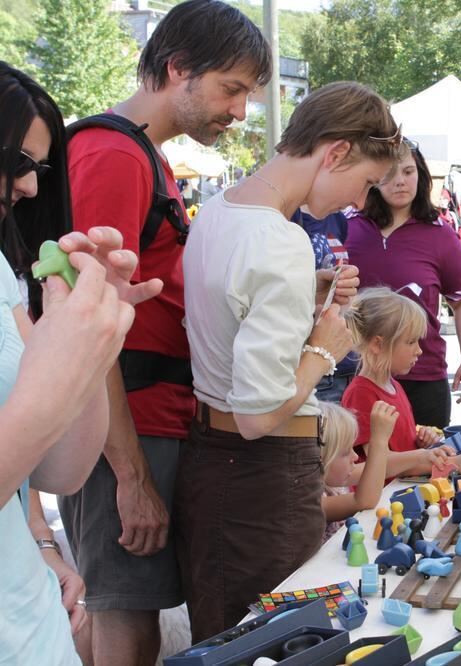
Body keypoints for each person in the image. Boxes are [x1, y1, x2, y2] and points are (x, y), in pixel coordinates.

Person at [57, 3, 272, 662]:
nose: (238, 112)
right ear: (178, 67)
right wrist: (130, 476)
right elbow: (88, 329)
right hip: (126, 426)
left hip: (149, 419)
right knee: (124, 617)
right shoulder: (113, 154)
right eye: (231, 89)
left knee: (127, 611)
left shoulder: (142, 156)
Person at [176, 80, 391, 641]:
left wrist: (306, 289)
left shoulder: (221, 211)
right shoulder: (280, 239)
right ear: (336, 151)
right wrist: (326, 349)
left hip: (221, 469)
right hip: (260, 478)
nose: (359, 202)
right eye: (365, 182)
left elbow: (232, 309)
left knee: (235, 637)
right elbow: (259, 415)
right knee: (272, 646)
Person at [0, 61, 161, 664]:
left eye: (39, 169)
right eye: (19, 162)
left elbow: (59, 470)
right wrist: (60, 366)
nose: (32, 189)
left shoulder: (2, 273)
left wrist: (94, 342)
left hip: (29, 625)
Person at [347, 140, 461, 428]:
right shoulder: (349, 227)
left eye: (408, 172)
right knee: (361, 468)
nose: (400, 182)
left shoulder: (440, 235)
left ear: (420, 175)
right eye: (390, 173)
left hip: (422, 378)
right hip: (357, 376)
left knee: (426, 467)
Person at [342, 287, 461, 479]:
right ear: (378, 344)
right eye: (410, 342)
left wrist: (421, 442)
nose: (419, 351)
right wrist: (435, 459)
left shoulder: (393, 385)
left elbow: (400, 447)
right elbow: (377, 463)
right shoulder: (361, 394)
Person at [291, 205, 358, 403]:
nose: (359, 205)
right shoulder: (287, 215)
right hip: (305, 358)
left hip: (340, 357)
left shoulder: (338, 219)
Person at [319, 400, 396, 540]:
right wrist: (379, 441)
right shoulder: (313, 500)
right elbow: (364, 501)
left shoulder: (334, 481)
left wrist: (424, 456)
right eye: (345, 452)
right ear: (320, 459)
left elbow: (385, 468)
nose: (355, 456)